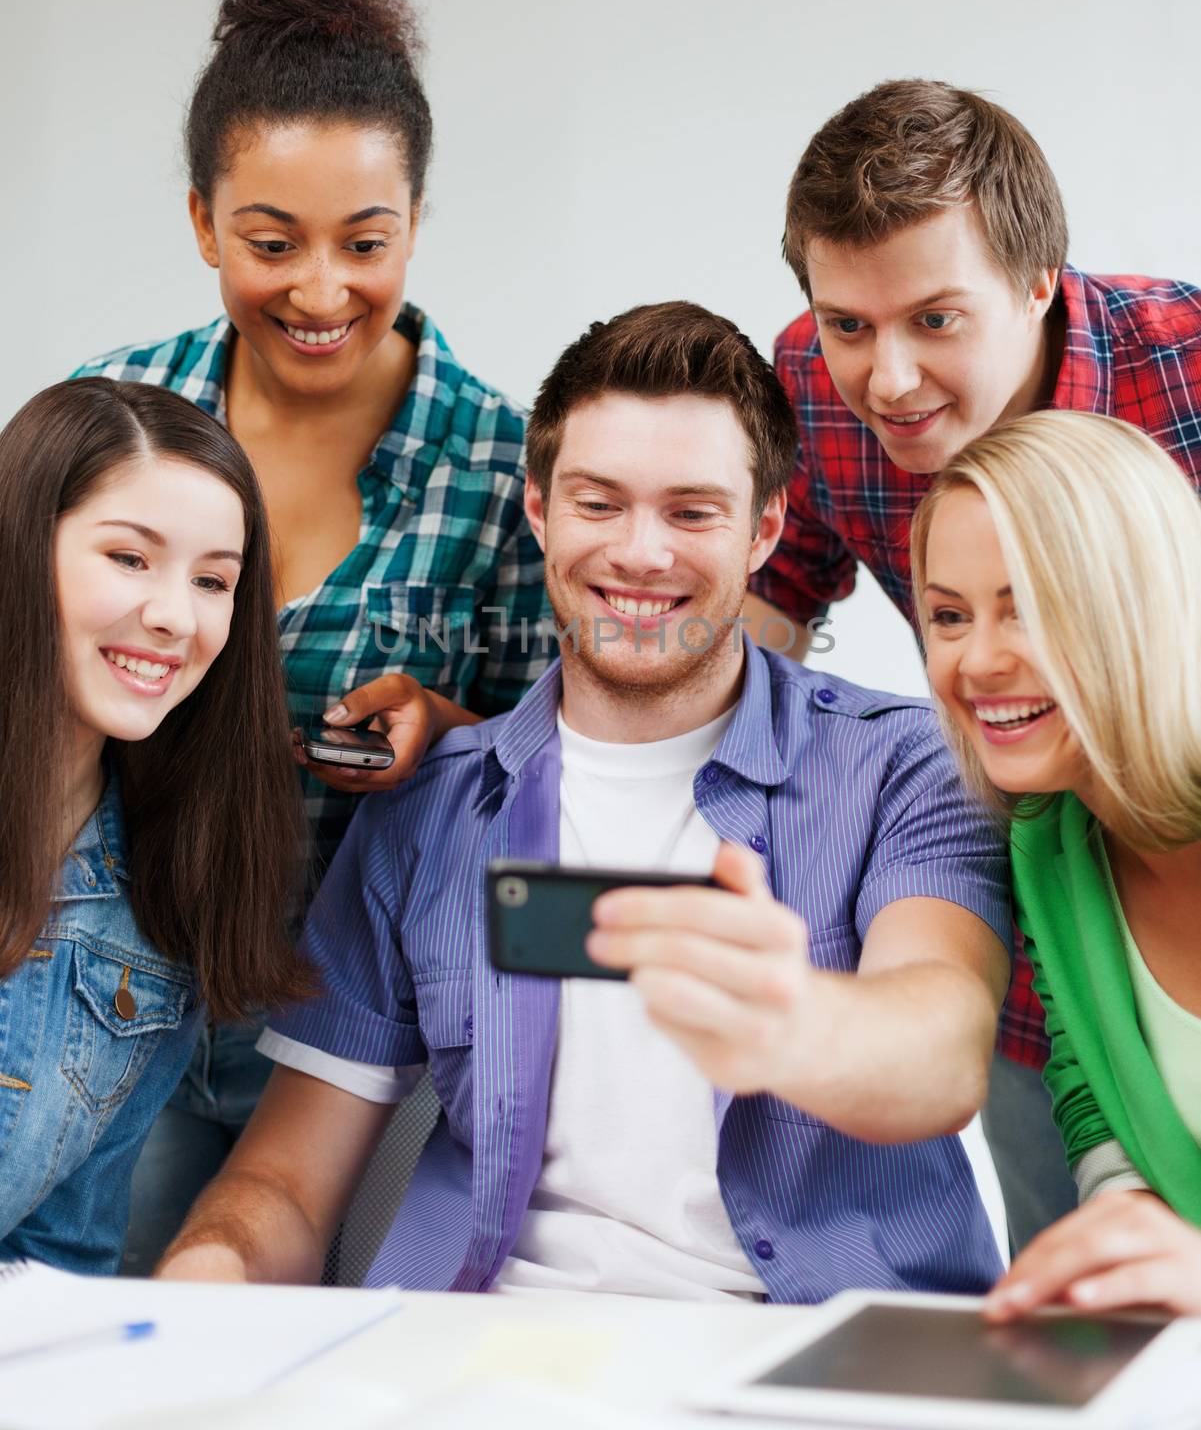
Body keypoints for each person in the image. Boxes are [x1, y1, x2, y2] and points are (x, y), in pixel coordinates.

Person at [154, 300, 1012, 1300]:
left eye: (691, 511)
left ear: (764, 528)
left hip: (809, 1361)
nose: (639, 554)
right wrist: (202, 1280)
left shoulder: (905, 767)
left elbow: (940, 1053)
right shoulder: (428, 810)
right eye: (598, 503)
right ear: (538, 511)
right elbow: (286, 1188)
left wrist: (792, 1021)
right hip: (486, 1359)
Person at [72, 0, 551, 1265]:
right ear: (201, 223)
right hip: (127, 998)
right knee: (121, 1347)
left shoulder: (499, 462)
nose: (322, 291)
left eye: (366, 241)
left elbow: (556, 767)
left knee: (359, 1363)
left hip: (364, 1033)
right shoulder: (114, 423)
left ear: (416, 225)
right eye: (271, 243)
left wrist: (447, 728)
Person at [744, 78, 1201, 1252]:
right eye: (848, 324)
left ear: (1040, 279)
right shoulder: (815, 390)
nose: (886, 379)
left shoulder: (1187, 367)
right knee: (1095, 1263)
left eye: (935, 321)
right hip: (1062, 928)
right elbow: (760, 611)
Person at [0, 377, 308, 1273]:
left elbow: (56, 1264)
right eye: (130, 558)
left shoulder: (161, 916)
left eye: (213, 580)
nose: (177, 616)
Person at [911, 409, 1201, 1318]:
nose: (977, 660)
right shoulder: (1048, 838)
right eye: (948, 616)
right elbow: (1094, 1100)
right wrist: (1124, 1230)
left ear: (1139, 603)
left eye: (1028, 607)